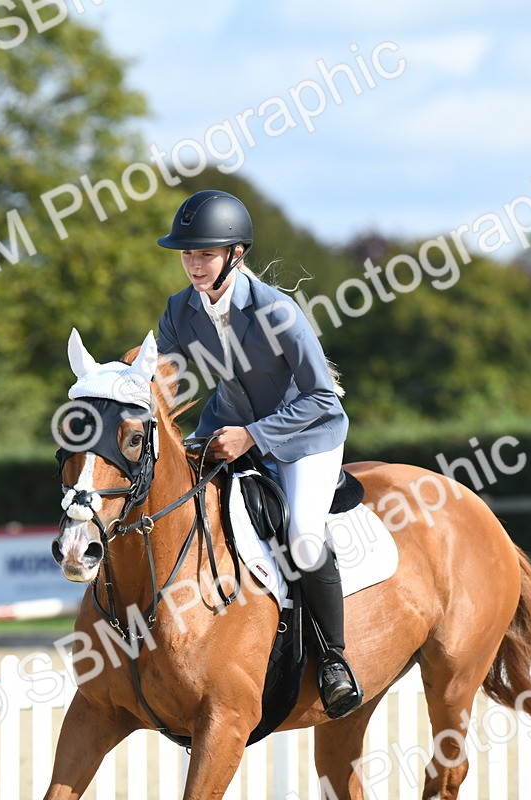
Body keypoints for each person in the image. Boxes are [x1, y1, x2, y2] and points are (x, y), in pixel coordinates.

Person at [154, 189, 361, 719]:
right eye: (187, 254)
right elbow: (162, 381)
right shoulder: (179, 310)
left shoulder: (277, 310)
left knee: (303, 540)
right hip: (226, 427)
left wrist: (253, 437)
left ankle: (335, 661)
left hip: (305, 434)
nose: (194, 265)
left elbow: (322, 396)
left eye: (204, 254)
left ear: (235, 254)